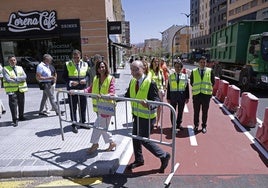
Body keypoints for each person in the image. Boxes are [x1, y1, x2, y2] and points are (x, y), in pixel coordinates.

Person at [125, 60, 170, 173]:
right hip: (137, 116)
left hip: (147, 117)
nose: (134, 72)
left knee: (144, 140)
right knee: (135, 137)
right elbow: (127, 96)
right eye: (132, 70)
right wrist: (114, 97)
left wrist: (149, 104)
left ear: (143, 69)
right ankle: (139, 159)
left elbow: (157, 100)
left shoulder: (151, 83)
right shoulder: (132, 82)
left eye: (136, 69)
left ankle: (163, 155)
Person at [84, 60, 116, 154]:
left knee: (97, 126)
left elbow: (112, 92)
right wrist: (77, 91)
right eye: (99, 67)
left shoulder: (110, 78)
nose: (101, 69)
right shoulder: (96, 79)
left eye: (103, 67)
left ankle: (95, 144)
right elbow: (89, 89)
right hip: (99, 108)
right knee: (102, 128)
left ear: (106, 67)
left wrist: (103, 95)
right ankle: (112, 143)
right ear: (97, 69)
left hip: (107, 108)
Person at [62, 49, 90, 133]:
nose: (76, 59)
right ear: (72, 57)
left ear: (80, 57)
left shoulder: (85, 64)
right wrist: (70, 82)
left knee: (83, 106)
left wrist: (85, 80)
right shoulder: (68, 64)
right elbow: (64, 77)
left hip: (82, 89)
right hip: (72, 90)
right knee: (73, 107)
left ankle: (83, 123)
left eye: (77, 57)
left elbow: (88, 75)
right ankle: (74, 124)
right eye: (74, 58)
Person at [190, 56, 215, 134]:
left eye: (204, 62)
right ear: (198, 63)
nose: (202, 64)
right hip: (196, 95)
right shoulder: (194, 71)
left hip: (206, 95)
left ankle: (204, 126)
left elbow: (213, 82)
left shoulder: (210, 71)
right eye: (201, 62)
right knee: (196, 112)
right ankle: (196, 126)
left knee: (205, 112)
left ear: (206, 63)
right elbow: (191, 82)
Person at [2, 55, 28, 127]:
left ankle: (21, 117)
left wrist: (15, 78)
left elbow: (25, 76)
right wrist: (19, 79)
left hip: (21, 89)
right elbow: (8, 79)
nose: (13, 61)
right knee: (13, 105)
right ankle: (14, 119)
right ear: (8, 61)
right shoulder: (5, 69)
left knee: (21, 103)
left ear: (16, 61)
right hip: (12, 90)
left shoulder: (20, 68)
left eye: (14, 60)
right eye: (11, 60)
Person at [166, 60, 189, 130]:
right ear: (174, 68)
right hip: (173, 96)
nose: (178, 68)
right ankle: (173, 125)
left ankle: (179, 124)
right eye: (176, 67)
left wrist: (187, 97)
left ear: (181, 68)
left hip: (182, 96)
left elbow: (187, 88)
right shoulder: (170, 77)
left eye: (179, 67)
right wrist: (168, 97)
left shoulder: (185, 76)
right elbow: (169, 88)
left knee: (180, 111)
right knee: (173, 111)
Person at [148, 57, 165, 128]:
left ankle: (158, 122)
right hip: (153, 92)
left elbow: (163, 80)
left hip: (160, 91)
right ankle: (151, 121)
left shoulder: (160, 71)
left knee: (159, 107)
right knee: (152, 107)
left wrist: (164, 88)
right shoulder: (149, 71)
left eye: (157, 62)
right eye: (155, 62)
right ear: (152, 63)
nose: (156, 63)